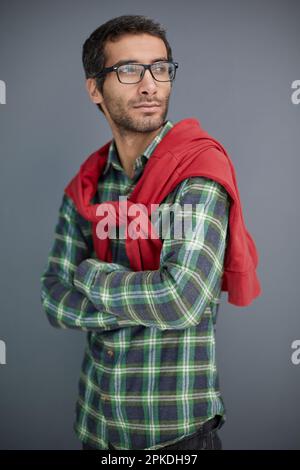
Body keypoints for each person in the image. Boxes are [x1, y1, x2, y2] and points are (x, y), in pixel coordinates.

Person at [40, 14, 260, 451]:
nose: (149, 85)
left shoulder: (197, 174)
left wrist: (90, 276)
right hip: (96, 426)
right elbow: (52, 300)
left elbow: (182, 300)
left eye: (160, 68)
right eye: (129, 70)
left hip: (176, 434)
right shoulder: (88, 184)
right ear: (94, 89)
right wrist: (146, 306)